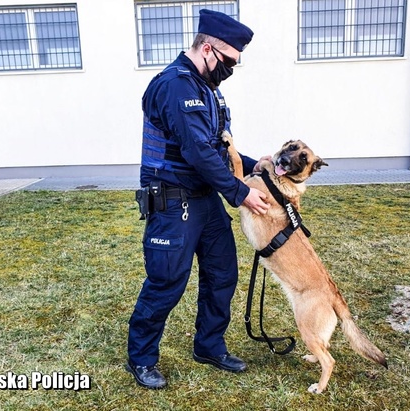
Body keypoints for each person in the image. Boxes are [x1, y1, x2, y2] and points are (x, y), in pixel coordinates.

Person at [126, 9, 270, 389]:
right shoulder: (174, 86)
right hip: (173, 203)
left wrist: (262, 167)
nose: (230, 70)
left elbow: (220, 149)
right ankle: (141, 358)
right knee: (166, 282)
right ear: (208, 49)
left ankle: (209, 345)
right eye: (229, 62)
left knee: (222, 274)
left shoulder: (209, 90)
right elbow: (197, 153)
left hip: (206, 201)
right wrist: (242, 194)